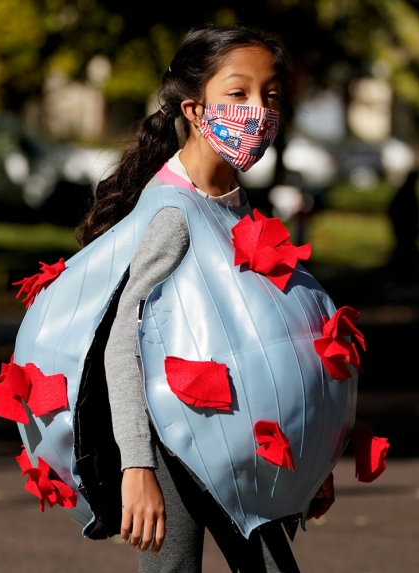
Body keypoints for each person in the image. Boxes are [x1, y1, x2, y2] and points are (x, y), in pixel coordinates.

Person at [75, 26, 343, 572]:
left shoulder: (236, 210)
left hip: (229, 439)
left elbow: (262, 345)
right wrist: (136, 467)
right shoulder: (173, 214)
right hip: (169, 445)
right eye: (239, 94)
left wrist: (311, 458)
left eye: (270, 95)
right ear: (196, 110)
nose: (260, 111)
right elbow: (122, 341)